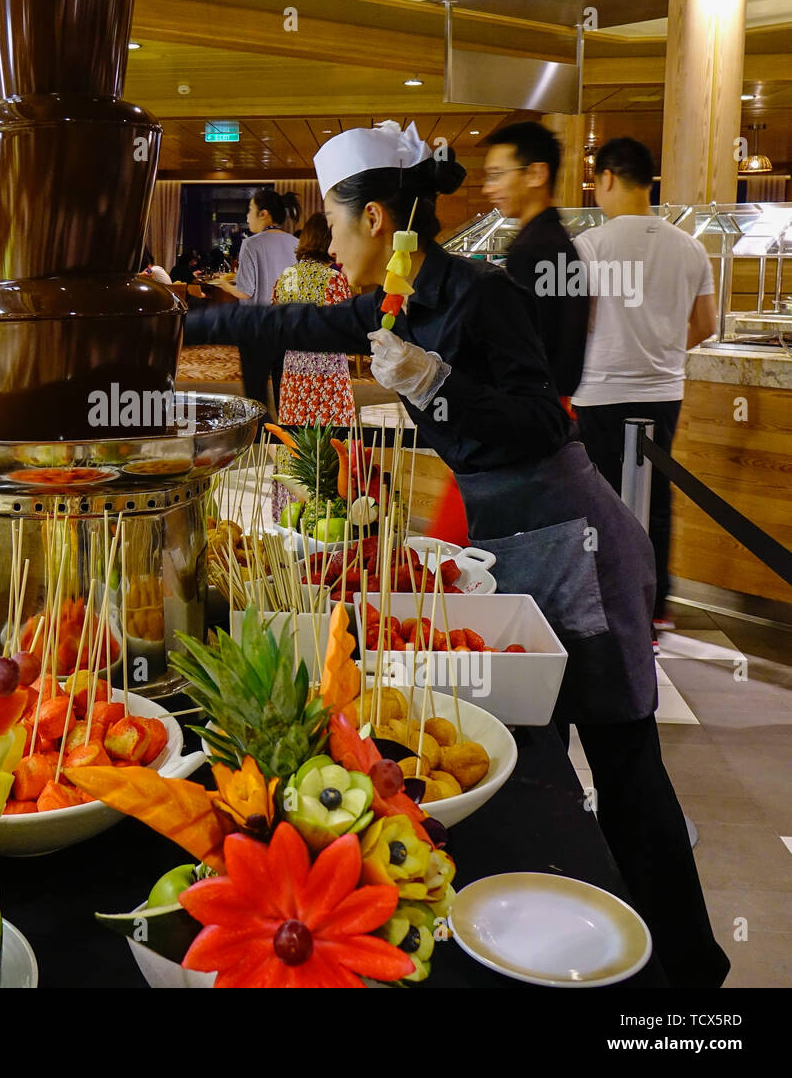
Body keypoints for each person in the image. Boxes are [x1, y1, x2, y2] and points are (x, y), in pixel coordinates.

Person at [184, 119, 729, 989]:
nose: (323, 236)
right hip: (516, 546)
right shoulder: (397, 302)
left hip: (577, 546)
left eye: (330, 217)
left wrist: (439, 383)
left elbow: (544, 417)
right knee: (542, 766)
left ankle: (694, 979)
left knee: (626, 766)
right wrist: (181, 319)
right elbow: (299, 323)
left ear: (374, 221)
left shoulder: (482, 295)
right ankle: (564, 948)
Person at [572, 137, 717, 631]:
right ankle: (654, 608)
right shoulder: (690, 246)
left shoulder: (589, 246)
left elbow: (580, 321)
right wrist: (662, 349)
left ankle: (607, 603)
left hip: (600, 390)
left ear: (609, 178)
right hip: (663, 391)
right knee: (655, 498)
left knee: (600, 498)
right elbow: (707, 323)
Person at [482, 121, 588, 400]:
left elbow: (522, 346)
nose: (488, 189)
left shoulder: (531, 249)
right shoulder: (557, 239)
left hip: (534, 405)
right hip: (557, 398)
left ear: (537, 174)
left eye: (497, 175)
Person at [210, 188, 298, 407]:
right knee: (284, 391)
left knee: (256, 394)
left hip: (256, 326)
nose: (247, 216)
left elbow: (245, 291)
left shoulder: (251, 244)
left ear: (264, 214)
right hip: (288, 324)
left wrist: (224, 285)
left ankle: (259, 436)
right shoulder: (296, 244)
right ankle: (286, 438)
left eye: (250, 210)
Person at [271, 213, 355, 428]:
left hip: (293, 369)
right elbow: (345, 326)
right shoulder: (333, 279)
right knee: (331, 440)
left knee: (296, 435)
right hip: (327, 373)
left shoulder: (286, 276)